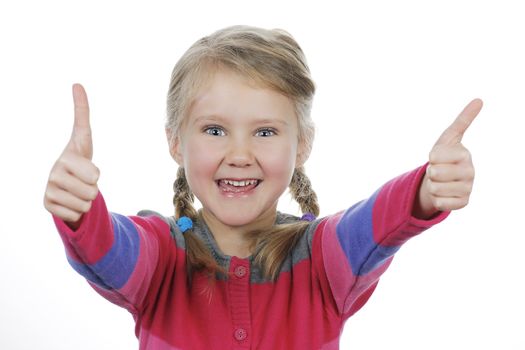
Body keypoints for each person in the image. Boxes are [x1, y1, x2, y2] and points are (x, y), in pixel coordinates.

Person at [44, 25, 481, 350]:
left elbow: (374, 223)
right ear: (176, 141)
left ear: (303, 143)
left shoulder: (323, 260)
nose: (239, 153)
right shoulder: (162, 256)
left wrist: (424, 189)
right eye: (214, 130)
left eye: (266, 132)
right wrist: (81, 209)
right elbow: (110, 249)